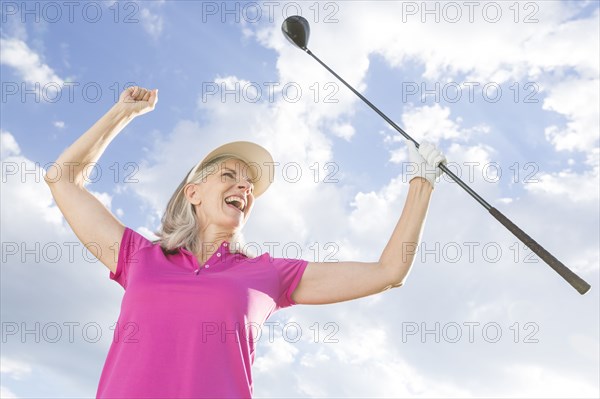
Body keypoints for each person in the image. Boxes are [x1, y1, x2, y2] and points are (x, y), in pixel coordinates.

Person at [44, 86, 446, 398]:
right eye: (229, 176)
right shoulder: (138, 257)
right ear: (193, 193)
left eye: (249, 184)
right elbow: (62, 178)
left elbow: (388, 272)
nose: (244, 186)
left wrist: (421, 183)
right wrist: (121, 114)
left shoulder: (268, 274)